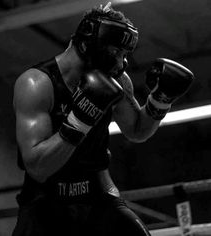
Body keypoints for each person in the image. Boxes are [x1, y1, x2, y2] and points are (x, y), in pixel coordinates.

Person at [12, 2, 194, 235]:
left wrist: (160, 100)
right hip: (45, 199)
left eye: (125, 53)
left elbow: (137, 130)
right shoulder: (36, 84)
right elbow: (38, 168)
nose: (122, 62)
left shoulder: (117, 79)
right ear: (89, 43)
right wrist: (80, 121)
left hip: (98, 191)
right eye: (116, 51)